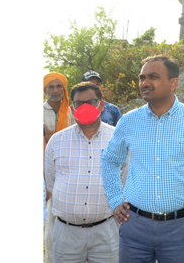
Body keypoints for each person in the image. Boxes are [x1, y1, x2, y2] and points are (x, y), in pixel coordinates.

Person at [101, 56, 184, 263]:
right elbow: (110, 160)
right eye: (142, 78)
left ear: (173, 83)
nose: (145, 83)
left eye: (153, 77)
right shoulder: (129, 121)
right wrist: (115, 199)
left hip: (179, 228)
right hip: (134, 226)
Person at [45, 81, 123, 263]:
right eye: (79, 103)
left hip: (106, 229)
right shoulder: (57, 141)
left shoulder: (118, 139)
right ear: (72, 109)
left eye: (91, 102)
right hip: (67, 233)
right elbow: (51, 180)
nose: (85, 107)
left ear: (101, 105)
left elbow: (125, 177)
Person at [43, 72, 75, 263]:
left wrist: (50, 136)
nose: (55, 91)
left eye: (59, 86)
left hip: (70, 170)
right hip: (45, 170)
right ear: (44, 90)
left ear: (64, 89)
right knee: (52, 220)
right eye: (51, 87)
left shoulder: (72, 111)